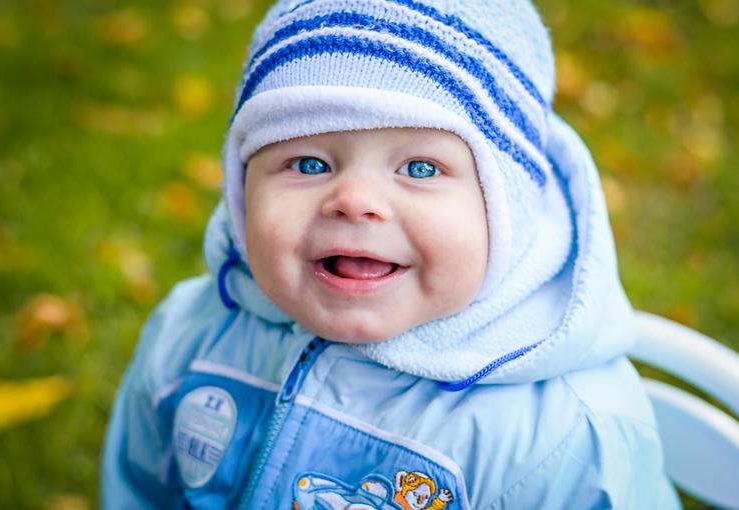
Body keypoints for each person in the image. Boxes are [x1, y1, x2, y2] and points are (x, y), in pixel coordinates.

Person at [101, 0, 681, 508]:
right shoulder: (192, 334)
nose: (354, 201)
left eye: (420, 168)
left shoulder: (562, 439)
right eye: (309, 163)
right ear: (240, 190)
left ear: (507, 210)